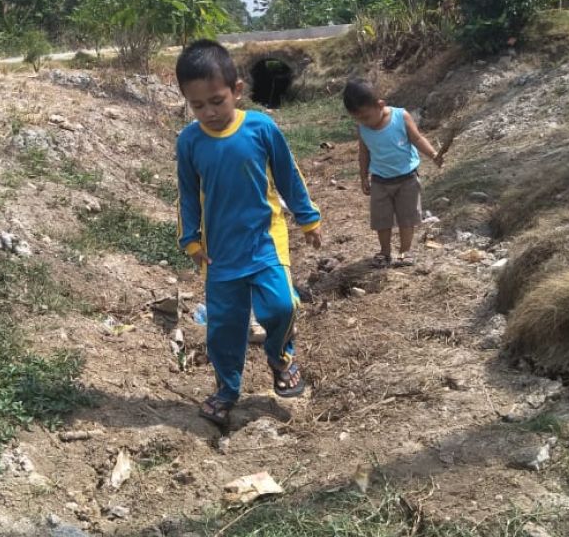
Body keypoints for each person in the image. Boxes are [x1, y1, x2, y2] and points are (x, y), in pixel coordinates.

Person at [176, 39, 322, 426]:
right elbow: (188, 194)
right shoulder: (189, 141)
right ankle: (227, 389)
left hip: (264, 241)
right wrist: (190, 239)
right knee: (224, 328)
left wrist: (308, 218)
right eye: (198, 105)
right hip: (220, 253)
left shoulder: (261, 127)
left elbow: (289, 175)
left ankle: (280, 357)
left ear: (237, 91)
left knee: (282, 306)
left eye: (216, 100)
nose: (208, 111)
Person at [343, 78, 443, 268]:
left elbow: (417, 138)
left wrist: (433, 154)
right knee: (382, 220)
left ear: (380, 105)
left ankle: (405, 252)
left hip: (407, 178)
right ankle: (385, 252)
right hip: (380, 181)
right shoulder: (363, 128)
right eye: (357, 118)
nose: (363, 122)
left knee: (408, 218)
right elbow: (364, 153)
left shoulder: (400, 116)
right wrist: (363, 176)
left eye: (365, 116)